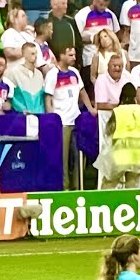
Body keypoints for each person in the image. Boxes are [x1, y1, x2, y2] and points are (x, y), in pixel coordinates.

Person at [45, 45, 94, 190]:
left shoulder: (74, 73)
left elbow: (82, 91)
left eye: (74, 54)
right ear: (61, 55)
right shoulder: (53, 74)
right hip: (62, 122)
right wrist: (51, 120)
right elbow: (48, 98)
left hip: (77, 121)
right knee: (63, 159)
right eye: (70, 55)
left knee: (79, 156)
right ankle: (64, 187)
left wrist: (91, 109)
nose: (74, 58)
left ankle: (78, 186)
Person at [102, 84, 140, 189]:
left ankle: (104, 203)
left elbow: (109, 130)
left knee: (109, 182)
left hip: (121, 153)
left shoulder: (119, 110)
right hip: (139, 155)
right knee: (132, 184)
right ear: (135, 97)